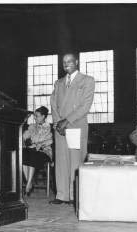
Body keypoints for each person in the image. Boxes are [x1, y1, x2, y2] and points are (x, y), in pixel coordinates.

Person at [50, 53, 95, 204]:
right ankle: (61, 195)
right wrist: (57, 122)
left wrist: (67, 121)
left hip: (76, 125)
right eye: (64, 61)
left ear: (76, 62)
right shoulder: (59, 83)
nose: (66, 63)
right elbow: (53, 104)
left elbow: (85, 106)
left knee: (76, 160)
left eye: (69, 61)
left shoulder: (87, 80)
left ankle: (74, 195)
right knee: (61, 161)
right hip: (60, 128)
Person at [23, 106, 53, 196]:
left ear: (43, 116)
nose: (35, 118)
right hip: (33, 150)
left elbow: (48, 140)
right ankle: (29, 181)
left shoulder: (48, 127)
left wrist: (34, 142)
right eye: (34, 116)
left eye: (37, 116)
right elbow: (25, 137)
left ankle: (28, 184)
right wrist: (28, 140)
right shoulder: (32, 126)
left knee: (33, 154)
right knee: (22, 154)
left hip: (44, 152)